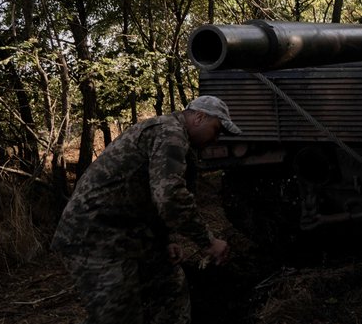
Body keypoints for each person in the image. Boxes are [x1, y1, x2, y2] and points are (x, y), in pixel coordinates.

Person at [51, 95, 242, 324]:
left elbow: (152, 194)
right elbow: (170, 196)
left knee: (170, 288)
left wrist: (165, 239)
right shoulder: (170, 133)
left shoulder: (176, 137)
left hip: (131, 233)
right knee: (118, 314)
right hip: (94, 236)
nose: (217, 138)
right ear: (199, 117)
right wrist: (208, 242)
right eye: (217, 129)